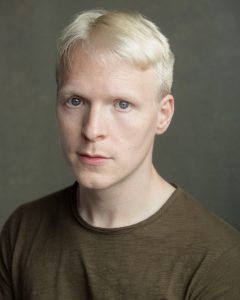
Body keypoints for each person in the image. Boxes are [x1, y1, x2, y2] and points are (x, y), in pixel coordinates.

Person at [0, 9, 240, 300]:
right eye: (75, 101)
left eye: (122, 104)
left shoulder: (218, 259)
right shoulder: (22, 230)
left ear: (163, 115)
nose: (92, 129)